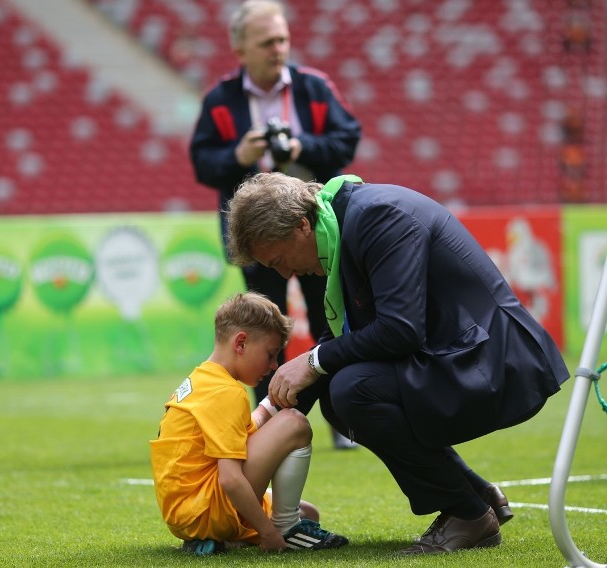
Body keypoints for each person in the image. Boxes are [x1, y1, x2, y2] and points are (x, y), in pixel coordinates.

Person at [225, 172, 570, 555]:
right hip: (459, 355)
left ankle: (468, 514)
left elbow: (400, 330)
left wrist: (314, 360)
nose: (286, 274)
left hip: (496, 361)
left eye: (278, 260)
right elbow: (349, 339)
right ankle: (473, 492)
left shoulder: (378, 216)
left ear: (302, 225)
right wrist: (268, 412)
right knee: (340, 394)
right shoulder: (343, 223)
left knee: (352, 391)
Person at [189, 0, 362, 449]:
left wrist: (300, 146)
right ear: (240, 47)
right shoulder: (220, 99)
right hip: (258, 237)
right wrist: (239, 158)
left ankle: (341, 423)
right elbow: (202, 163)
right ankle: (266, 422)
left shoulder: (313, 86)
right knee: (263, 325)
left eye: (282, 39)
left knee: (334, 319)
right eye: (267, 42)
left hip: (315, 231)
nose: (278, 49)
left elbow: (347, 139)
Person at [149, 291, 349, 555]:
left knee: (309, 512)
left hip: (187, 513)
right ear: (241, 343)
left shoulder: (204, 379)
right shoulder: (227, 393)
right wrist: (269, 532)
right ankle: (286, 530)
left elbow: (244, 428)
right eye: (270, 354)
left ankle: (214, 539)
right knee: (295, 423)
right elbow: (230, 479)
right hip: (207, 508)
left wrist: (271, 403)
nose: (274, 365)